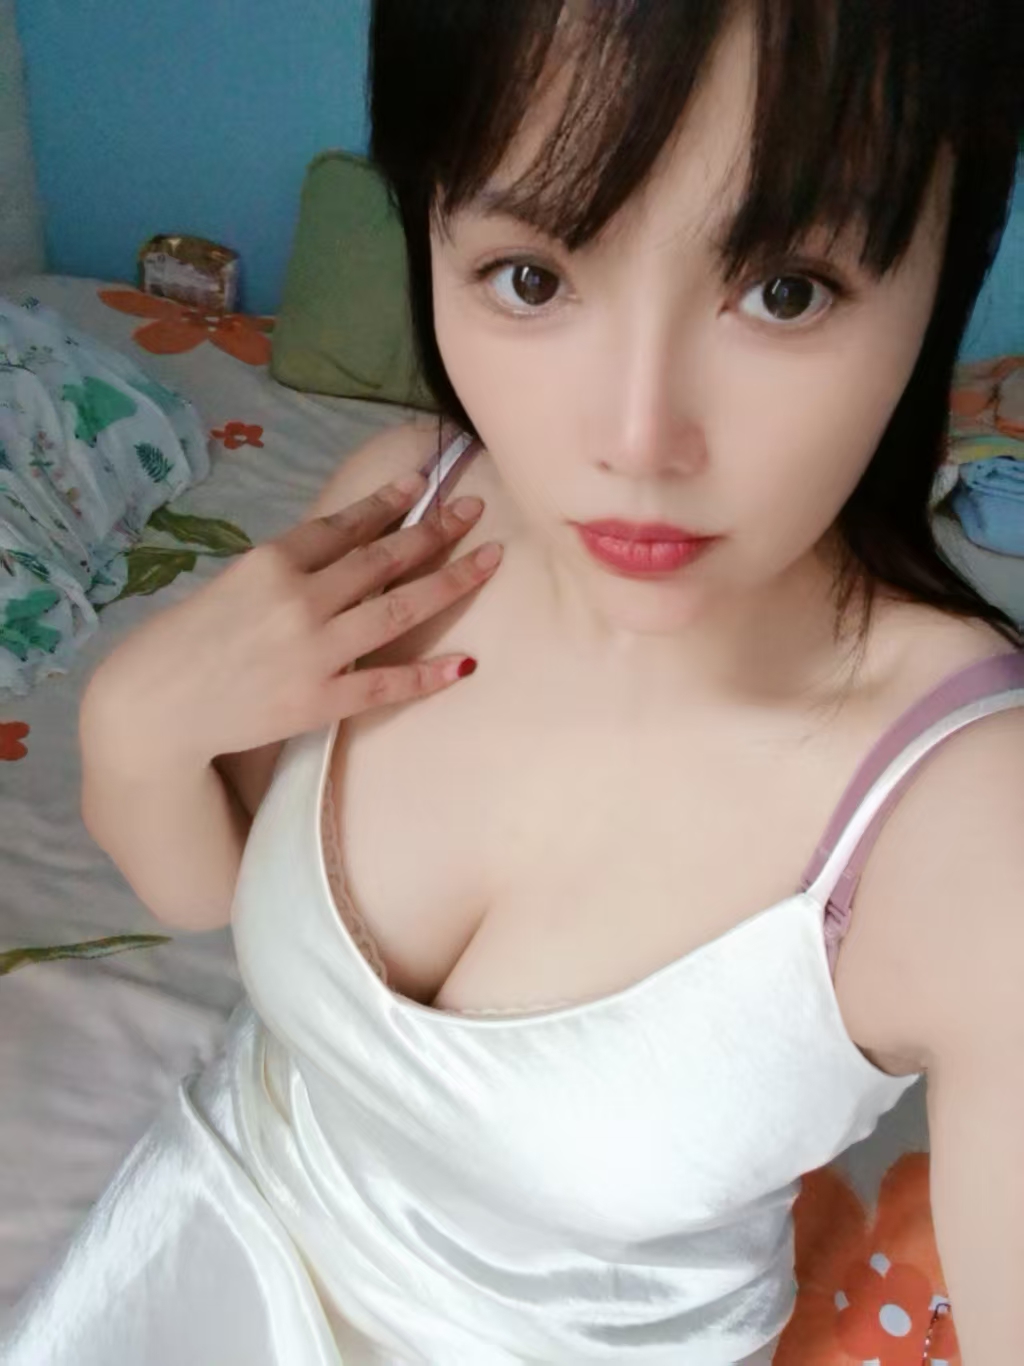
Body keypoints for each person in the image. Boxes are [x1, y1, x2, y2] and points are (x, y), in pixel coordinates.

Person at [4, 1, 1024, 1362]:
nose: (636, 439)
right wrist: (135, 721)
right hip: (175, 1275)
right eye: (532, 277)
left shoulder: (967, 827)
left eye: (785, 289)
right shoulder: (404, 519)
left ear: (941, 272)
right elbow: (200, 889)